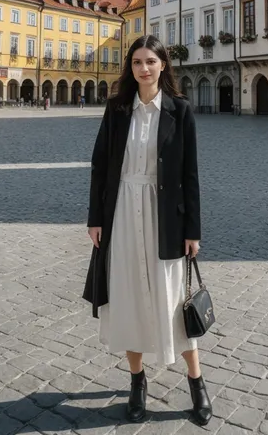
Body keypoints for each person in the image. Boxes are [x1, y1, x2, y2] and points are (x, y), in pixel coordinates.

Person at [83, 34, 212, 425]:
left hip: (165, 219)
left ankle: (197, 383)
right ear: (131, 67)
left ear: (162, 66)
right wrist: (95, 218)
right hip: (122, 211)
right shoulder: (117, 109)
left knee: (174, 301)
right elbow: (100, 166)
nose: (143, 68)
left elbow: (191, 175)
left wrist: (193, 230)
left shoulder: (180, 111)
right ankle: (137, 382)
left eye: (150, 62)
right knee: (129, 298)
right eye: (137, 62)